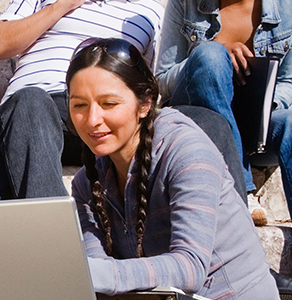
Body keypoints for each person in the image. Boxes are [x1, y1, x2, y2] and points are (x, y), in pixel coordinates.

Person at [154, 0, 292, 299]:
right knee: (209, 54)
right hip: (199, 118)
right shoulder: (186, 3)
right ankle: (242, 190)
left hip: (255, 121)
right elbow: (162, 80)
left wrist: (259, 110)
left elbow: (291, 82)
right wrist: (214, 53)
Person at [68, 38, 278, 299]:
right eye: (79, 105)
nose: (92, 120)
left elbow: (189, 267)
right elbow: (94, 273)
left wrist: (94, 273)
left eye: (109, 104)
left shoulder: (187, 152)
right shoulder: (86, 183)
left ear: (145, 104)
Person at [0, 0, 164, 198]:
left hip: (103, 114)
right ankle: (53, 225)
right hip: (34, 111)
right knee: (30, 100)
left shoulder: (149, 12)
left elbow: (149, 83)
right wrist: (62, 5)